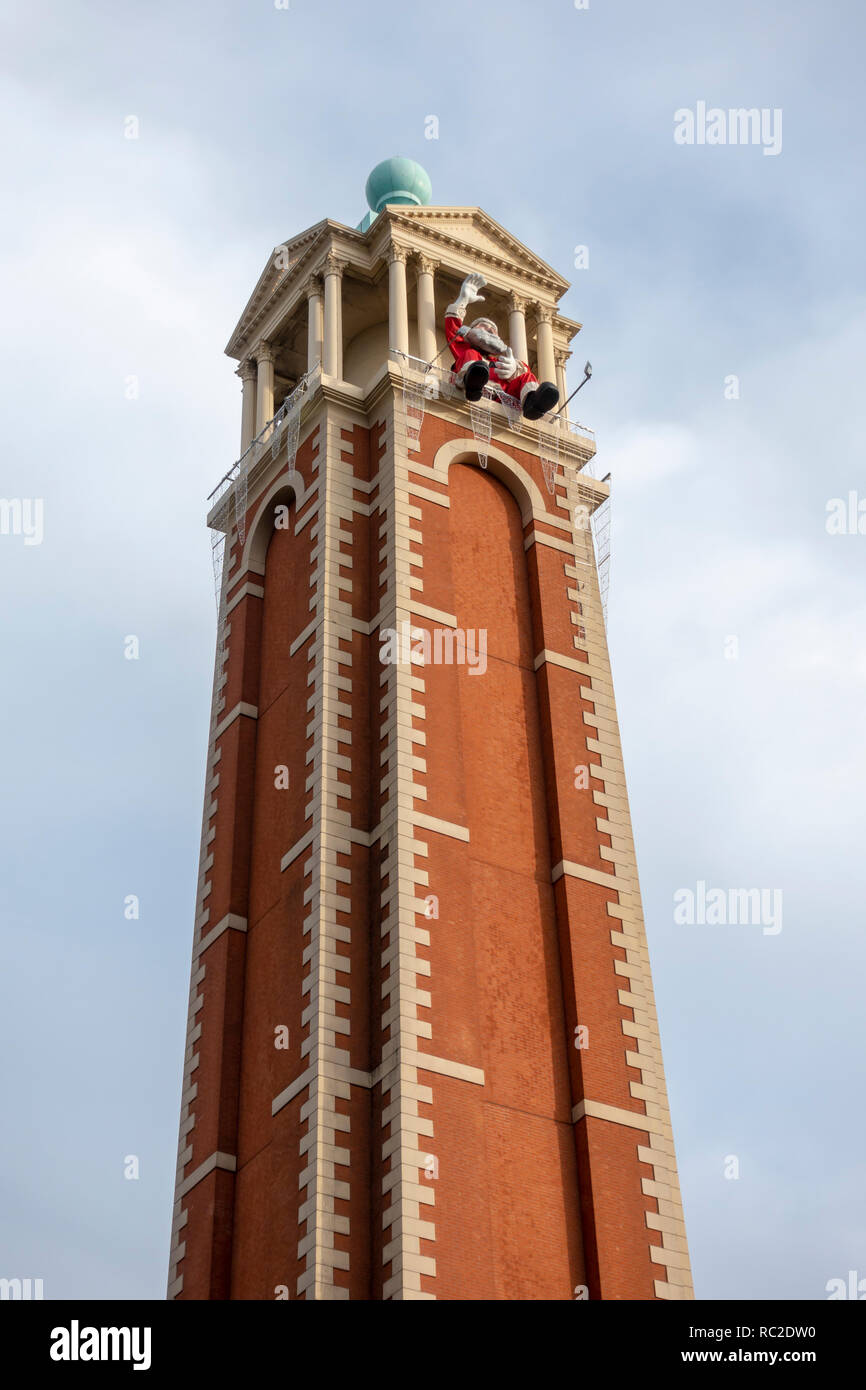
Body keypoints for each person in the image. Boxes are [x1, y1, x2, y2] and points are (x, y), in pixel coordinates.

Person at [443, 272, 559, 420]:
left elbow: (523, 372)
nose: (490, 331)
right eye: (483, 327)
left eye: (493, 331)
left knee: (527, 376)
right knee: (472, 357)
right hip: (472, 390)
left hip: (502, 398)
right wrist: (463, 300)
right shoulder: (467, 349)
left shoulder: (502, 361)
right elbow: (453, 328)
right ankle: (472, 381)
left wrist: (514, 370)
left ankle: (533, 404)